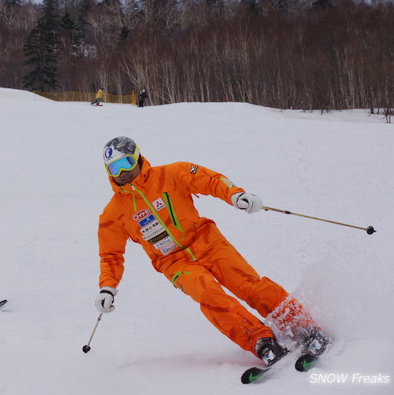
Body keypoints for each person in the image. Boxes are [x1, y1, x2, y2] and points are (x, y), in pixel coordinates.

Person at [94, 136, 329, 367]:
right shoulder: (113, 213)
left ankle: (302, 326)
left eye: (125, 163)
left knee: (247, 284)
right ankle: (260, 340)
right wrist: (107, 287)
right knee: (210, 297)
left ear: (137, 158)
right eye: (113, 168)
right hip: (174, 263)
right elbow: (110, 255)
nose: (121, 173)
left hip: (207, 242)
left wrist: (235, 194)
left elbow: (211, 180)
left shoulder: (172, 174)